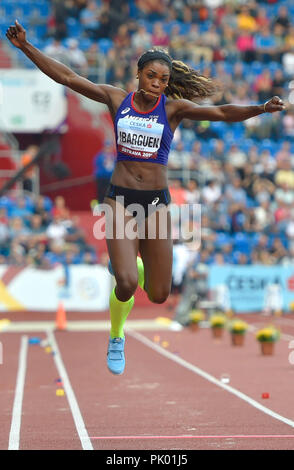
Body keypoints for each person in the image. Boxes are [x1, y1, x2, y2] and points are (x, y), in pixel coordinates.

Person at [6, 20, 286, 376]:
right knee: (125, 283)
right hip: (120, 200)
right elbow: (69, 78)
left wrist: (260, 109)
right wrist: (25, 48)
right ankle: (117, 334)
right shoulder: (115, 99)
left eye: (163, 80)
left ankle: (134, 264)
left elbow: (221, 113)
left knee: (157, 294)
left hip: (156, 204)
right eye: (152, 76)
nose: (157, 84)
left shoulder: (173, 109)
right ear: (138, 74)